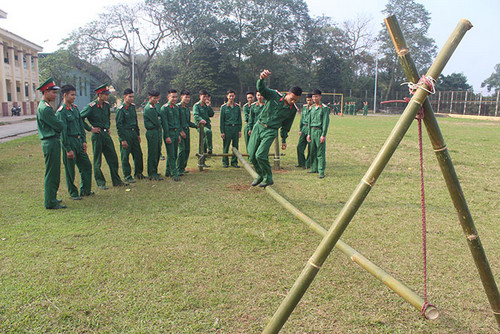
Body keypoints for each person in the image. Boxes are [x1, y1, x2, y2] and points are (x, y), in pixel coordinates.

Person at [247, 69, 302, 187]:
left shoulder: (292, 110)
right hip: (259, 126)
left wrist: (284, 139)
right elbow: (262, 89)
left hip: (271, 131)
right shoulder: (274, 95)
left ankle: (268, 177)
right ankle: (260, 175)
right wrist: (261, 79)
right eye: (292, 98)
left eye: (296, 100)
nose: (293, 101)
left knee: (260, 155)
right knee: (251, 155)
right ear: (287, 94)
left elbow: (286, 126)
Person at [81, 83, 127, 189]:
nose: (107, 96)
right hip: (97, 135)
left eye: (108, 94)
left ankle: (116, 180)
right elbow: (80, 118)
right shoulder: (91, 106)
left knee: (113, 157)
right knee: (97, 159)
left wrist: (108, 127)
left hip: (106, 134)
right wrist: (90, 128)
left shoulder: (106, 105)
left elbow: (107, 117)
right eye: (105, 94)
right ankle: (100, 182)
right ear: (99, 94)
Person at [56, 84, 93, 200]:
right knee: (70, 170)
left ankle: (85, 190)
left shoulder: (75, 109)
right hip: (70, 142)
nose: (74, 97)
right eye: (72, 95)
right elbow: (63, 132)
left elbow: (81, 126)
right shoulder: (61, 112)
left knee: (86, 166)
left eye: (74, 95)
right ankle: (73, 193)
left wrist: (84, 141)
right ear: (65, 95)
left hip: (78, 141)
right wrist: (67, 149)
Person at [36, 77, 65, 209]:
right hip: (50, 141)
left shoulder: (45, 106)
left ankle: (52, 197)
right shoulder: (45, 108)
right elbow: (59, 125)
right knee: (52, 173)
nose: (55, 95)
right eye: (53, 92)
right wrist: (59, 124)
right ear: (45, 92)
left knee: (54, 171)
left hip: (51, 141)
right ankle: (50, 202)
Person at [116, 89, 145, 183]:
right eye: (130, 96)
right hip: (126, 133)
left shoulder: (132, 107)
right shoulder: (121, 109)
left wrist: (138, 134)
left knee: (138, 154)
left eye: (133, 96)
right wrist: (122, 139)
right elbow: (119, 125)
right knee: (125, 155)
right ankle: (127, 175)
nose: (132, 98)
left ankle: (138, 173)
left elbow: (135, 122)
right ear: (125, 97)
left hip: (133, 133)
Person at [160, 89, 185, 181]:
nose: (174, 99)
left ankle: (168, 171)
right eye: (172, 97)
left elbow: (178, 122)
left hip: (175, 133)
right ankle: (175, 173)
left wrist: (178, 134)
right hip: (169, 133)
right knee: (171, 154)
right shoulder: (164, 108)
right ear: (168, 97)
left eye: (175, 97)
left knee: (174, 153)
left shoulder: (176, 108)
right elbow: (165, 124)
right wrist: (167, 136)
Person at [306, 89, 330, 179]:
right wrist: (308, 133)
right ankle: (314, 168)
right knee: (312, 151)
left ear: (320, 96)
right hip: (312, 131)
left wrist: (323, 134)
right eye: (313, 97)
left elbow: (325, 122)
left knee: (320, 152)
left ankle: (321, 171)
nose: (314, 98)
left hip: (319, 131)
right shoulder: (311, 108)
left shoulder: (324, 108)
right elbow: (309, 121)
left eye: (316, 96)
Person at [143, 90, 163, 180]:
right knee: (153, 153)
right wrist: (159, 119)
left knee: (158, 152)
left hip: (157, 131)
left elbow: (159, 117)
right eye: (154, 98)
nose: (156, 100)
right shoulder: (149, 108)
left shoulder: (155, 106)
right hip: (152, 132)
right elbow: (157, 121)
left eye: (157, 98)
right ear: (149, 98)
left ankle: (154, 171)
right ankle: (151, 173)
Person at [220, 90, 242, 168]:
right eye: (230, 96)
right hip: (227, 128)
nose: (231, 97)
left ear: (235, 96)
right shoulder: (223, 107)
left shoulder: (237, 107)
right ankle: (225, 162)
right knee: (226, 145)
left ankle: (234, 162)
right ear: (227, 96)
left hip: (235, 128)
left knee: (235, 146)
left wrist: (239, 130)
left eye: (233, 96)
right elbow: (221, 121)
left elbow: (239, 119)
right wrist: (222, 132)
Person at [177, 89, 197, 174]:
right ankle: (178, 168)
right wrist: (180, 131)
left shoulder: (187, 108)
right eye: (186, 97)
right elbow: (176, 121)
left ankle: (183, 168)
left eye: (189, 97)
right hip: (180, 131)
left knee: (187, 150)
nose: (188, 99)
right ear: (181, 97)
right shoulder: (178, 107)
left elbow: (188, 122)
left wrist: (197, 126)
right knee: (182, 150)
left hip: (187, 130)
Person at [193, 89, 214, 155]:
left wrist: (209, 106)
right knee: (208, 132)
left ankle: (203, 154)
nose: (205, 98)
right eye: (204, 96)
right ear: (200, 96)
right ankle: (210, 148)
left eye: (206, 97)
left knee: (204, 140)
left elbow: (211, 114)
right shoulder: (196, 105)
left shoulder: (206, 105)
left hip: (207, 125)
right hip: (201, 125)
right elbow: (196, 115)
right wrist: (201, 119)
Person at [296, 93, 313, 169]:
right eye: (307, 100)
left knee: (310, 147)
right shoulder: (305, 107)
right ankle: (301, 162)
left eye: (310, 100)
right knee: (300, 146)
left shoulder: (314, 108)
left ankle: (308, 163)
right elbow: (302, 119)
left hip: (311, 128)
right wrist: (300, 129)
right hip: (304, 128)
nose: (308, 102)